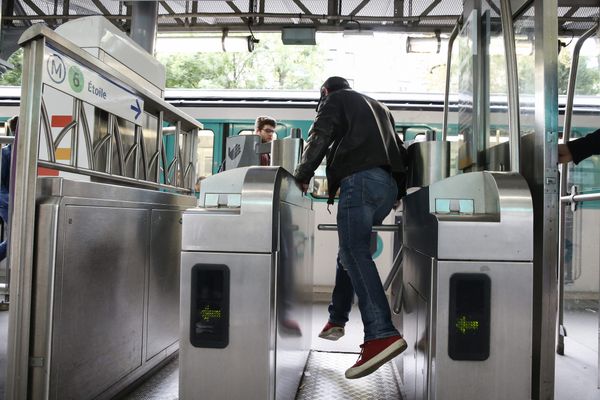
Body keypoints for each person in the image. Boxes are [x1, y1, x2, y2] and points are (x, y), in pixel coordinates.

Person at [294, 76, 408, 380]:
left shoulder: (335, 99)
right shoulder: (381, 108)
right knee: (351, 252)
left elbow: (320, 134)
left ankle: (380, 333)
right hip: (385, 187)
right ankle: (337, 318)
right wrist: (398, 190)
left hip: (359, 180)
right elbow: (399, 147)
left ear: (324, 92)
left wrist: (302, 174)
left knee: (352, 251)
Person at [0, 116, 17, 261]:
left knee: (15, 238)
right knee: (14, 238)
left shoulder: (28, 152)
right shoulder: (5, 153)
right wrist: (12, 201)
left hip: (20, 200)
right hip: (7, 203)